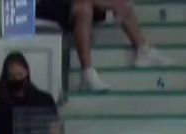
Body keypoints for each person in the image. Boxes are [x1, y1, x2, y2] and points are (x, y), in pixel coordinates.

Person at [35, 0, 171, 92]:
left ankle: (143, 50)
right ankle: (87, 74)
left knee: (120, 3)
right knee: (85, 7)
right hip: (49, 5)